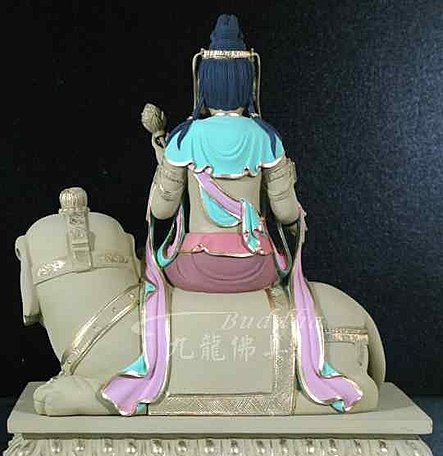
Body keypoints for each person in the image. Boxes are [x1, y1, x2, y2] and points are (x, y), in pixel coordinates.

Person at [102, 14, 362, 416]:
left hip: (194, 269)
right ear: (249, 82)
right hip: (256, 269)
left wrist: (164, 163)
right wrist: (289, 185)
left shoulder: (184, 137)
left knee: (152, 268)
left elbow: (161, 209)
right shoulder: (267, 138)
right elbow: (286, 213)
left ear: (202, 82)